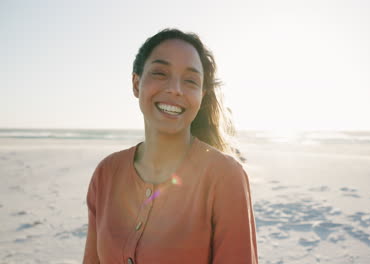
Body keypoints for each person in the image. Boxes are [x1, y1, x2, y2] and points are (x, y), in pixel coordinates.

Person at [83, 28, 258, 264]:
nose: (175, 88)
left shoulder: (225, 177)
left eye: (190, 80)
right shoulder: (106, 173)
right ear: (136, 83)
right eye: (160, 73)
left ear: (201, 95)